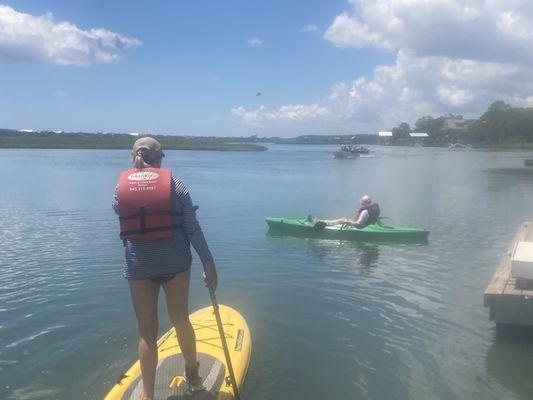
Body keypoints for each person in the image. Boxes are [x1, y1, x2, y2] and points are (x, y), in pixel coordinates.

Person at [112, 137, 217, 400]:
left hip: (139, 267)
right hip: (175, 264)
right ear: (159, 159)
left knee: (147, 334)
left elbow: (119, 210)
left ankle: (148, 394)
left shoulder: (120, 188)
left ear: (134, 157)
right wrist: (208, 263)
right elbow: (192, 228)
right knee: (181, 321)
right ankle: (193, 378)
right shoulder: (176, 184)